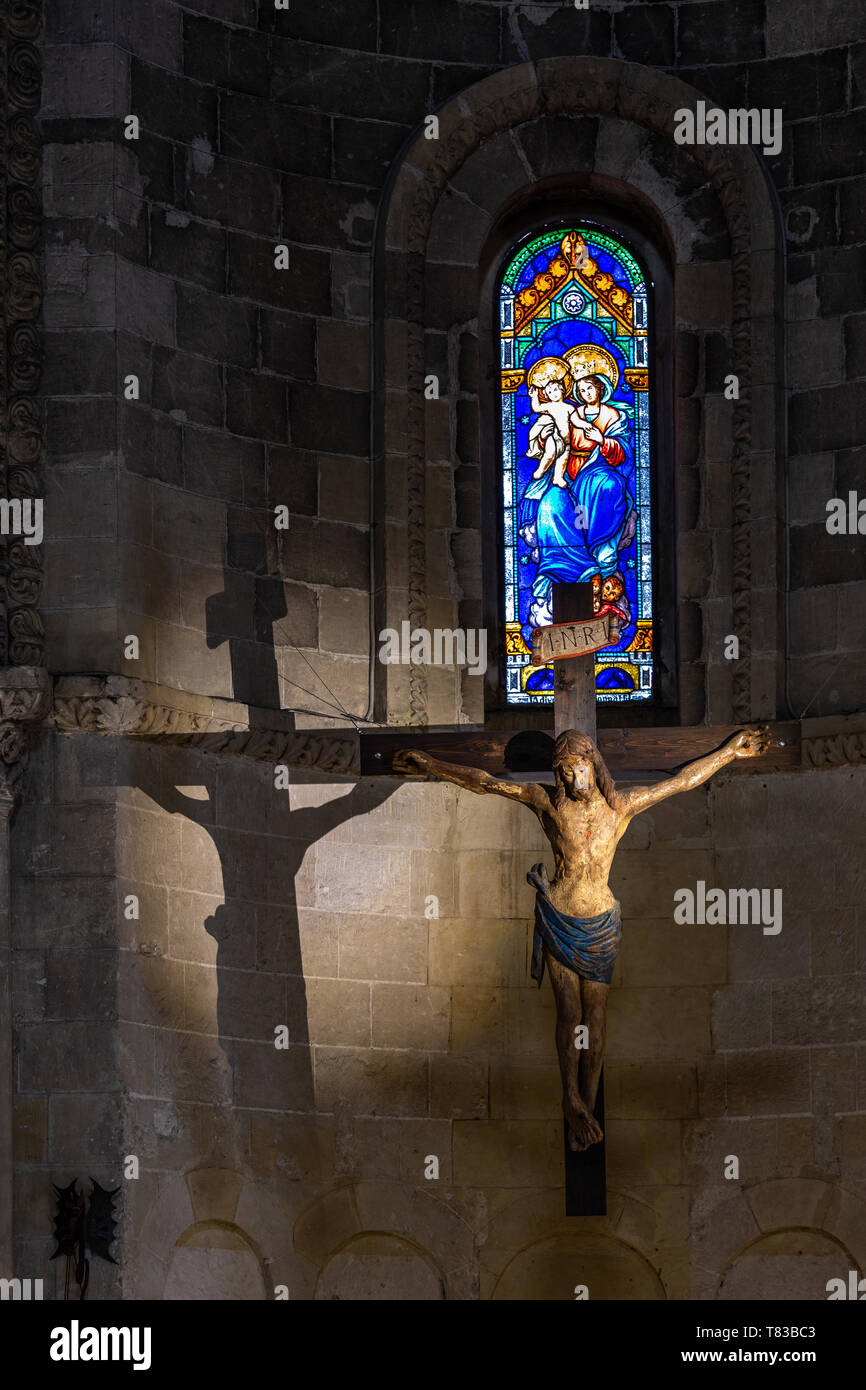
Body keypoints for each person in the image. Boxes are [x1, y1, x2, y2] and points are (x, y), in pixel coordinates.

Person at [394, 726, 772, 1152]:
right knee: (569, 1013)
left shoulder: (621, 807)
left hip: (600, 925)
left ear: (595, 764)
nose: (575, 779)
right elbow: (486, 783)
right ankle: (569, 1095)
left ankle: (585, 1108)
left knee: (595, 1018)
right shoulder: (547, 805)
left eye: (580, 768)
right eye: (567, 772)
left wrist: (728, 753)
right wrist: (432, 765)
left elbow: (681, 782)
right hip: (559, 918)